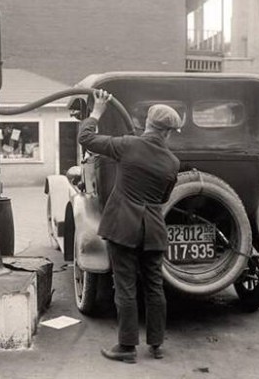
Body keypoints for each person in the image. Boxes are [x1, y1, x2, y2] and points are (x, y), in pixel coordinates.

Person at [78, 90, 181, 363]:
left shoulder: (128, 145)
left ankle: (127, 348)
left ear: (148, 124)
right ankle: (156, 345)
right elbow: (163, 198)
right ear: (168, 133)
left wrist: (97, 112)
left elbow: (85, 138)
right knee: (154, 286)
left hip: (123, 227)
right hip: (154, 230)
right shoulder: (173, 163)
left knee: (125, 287)